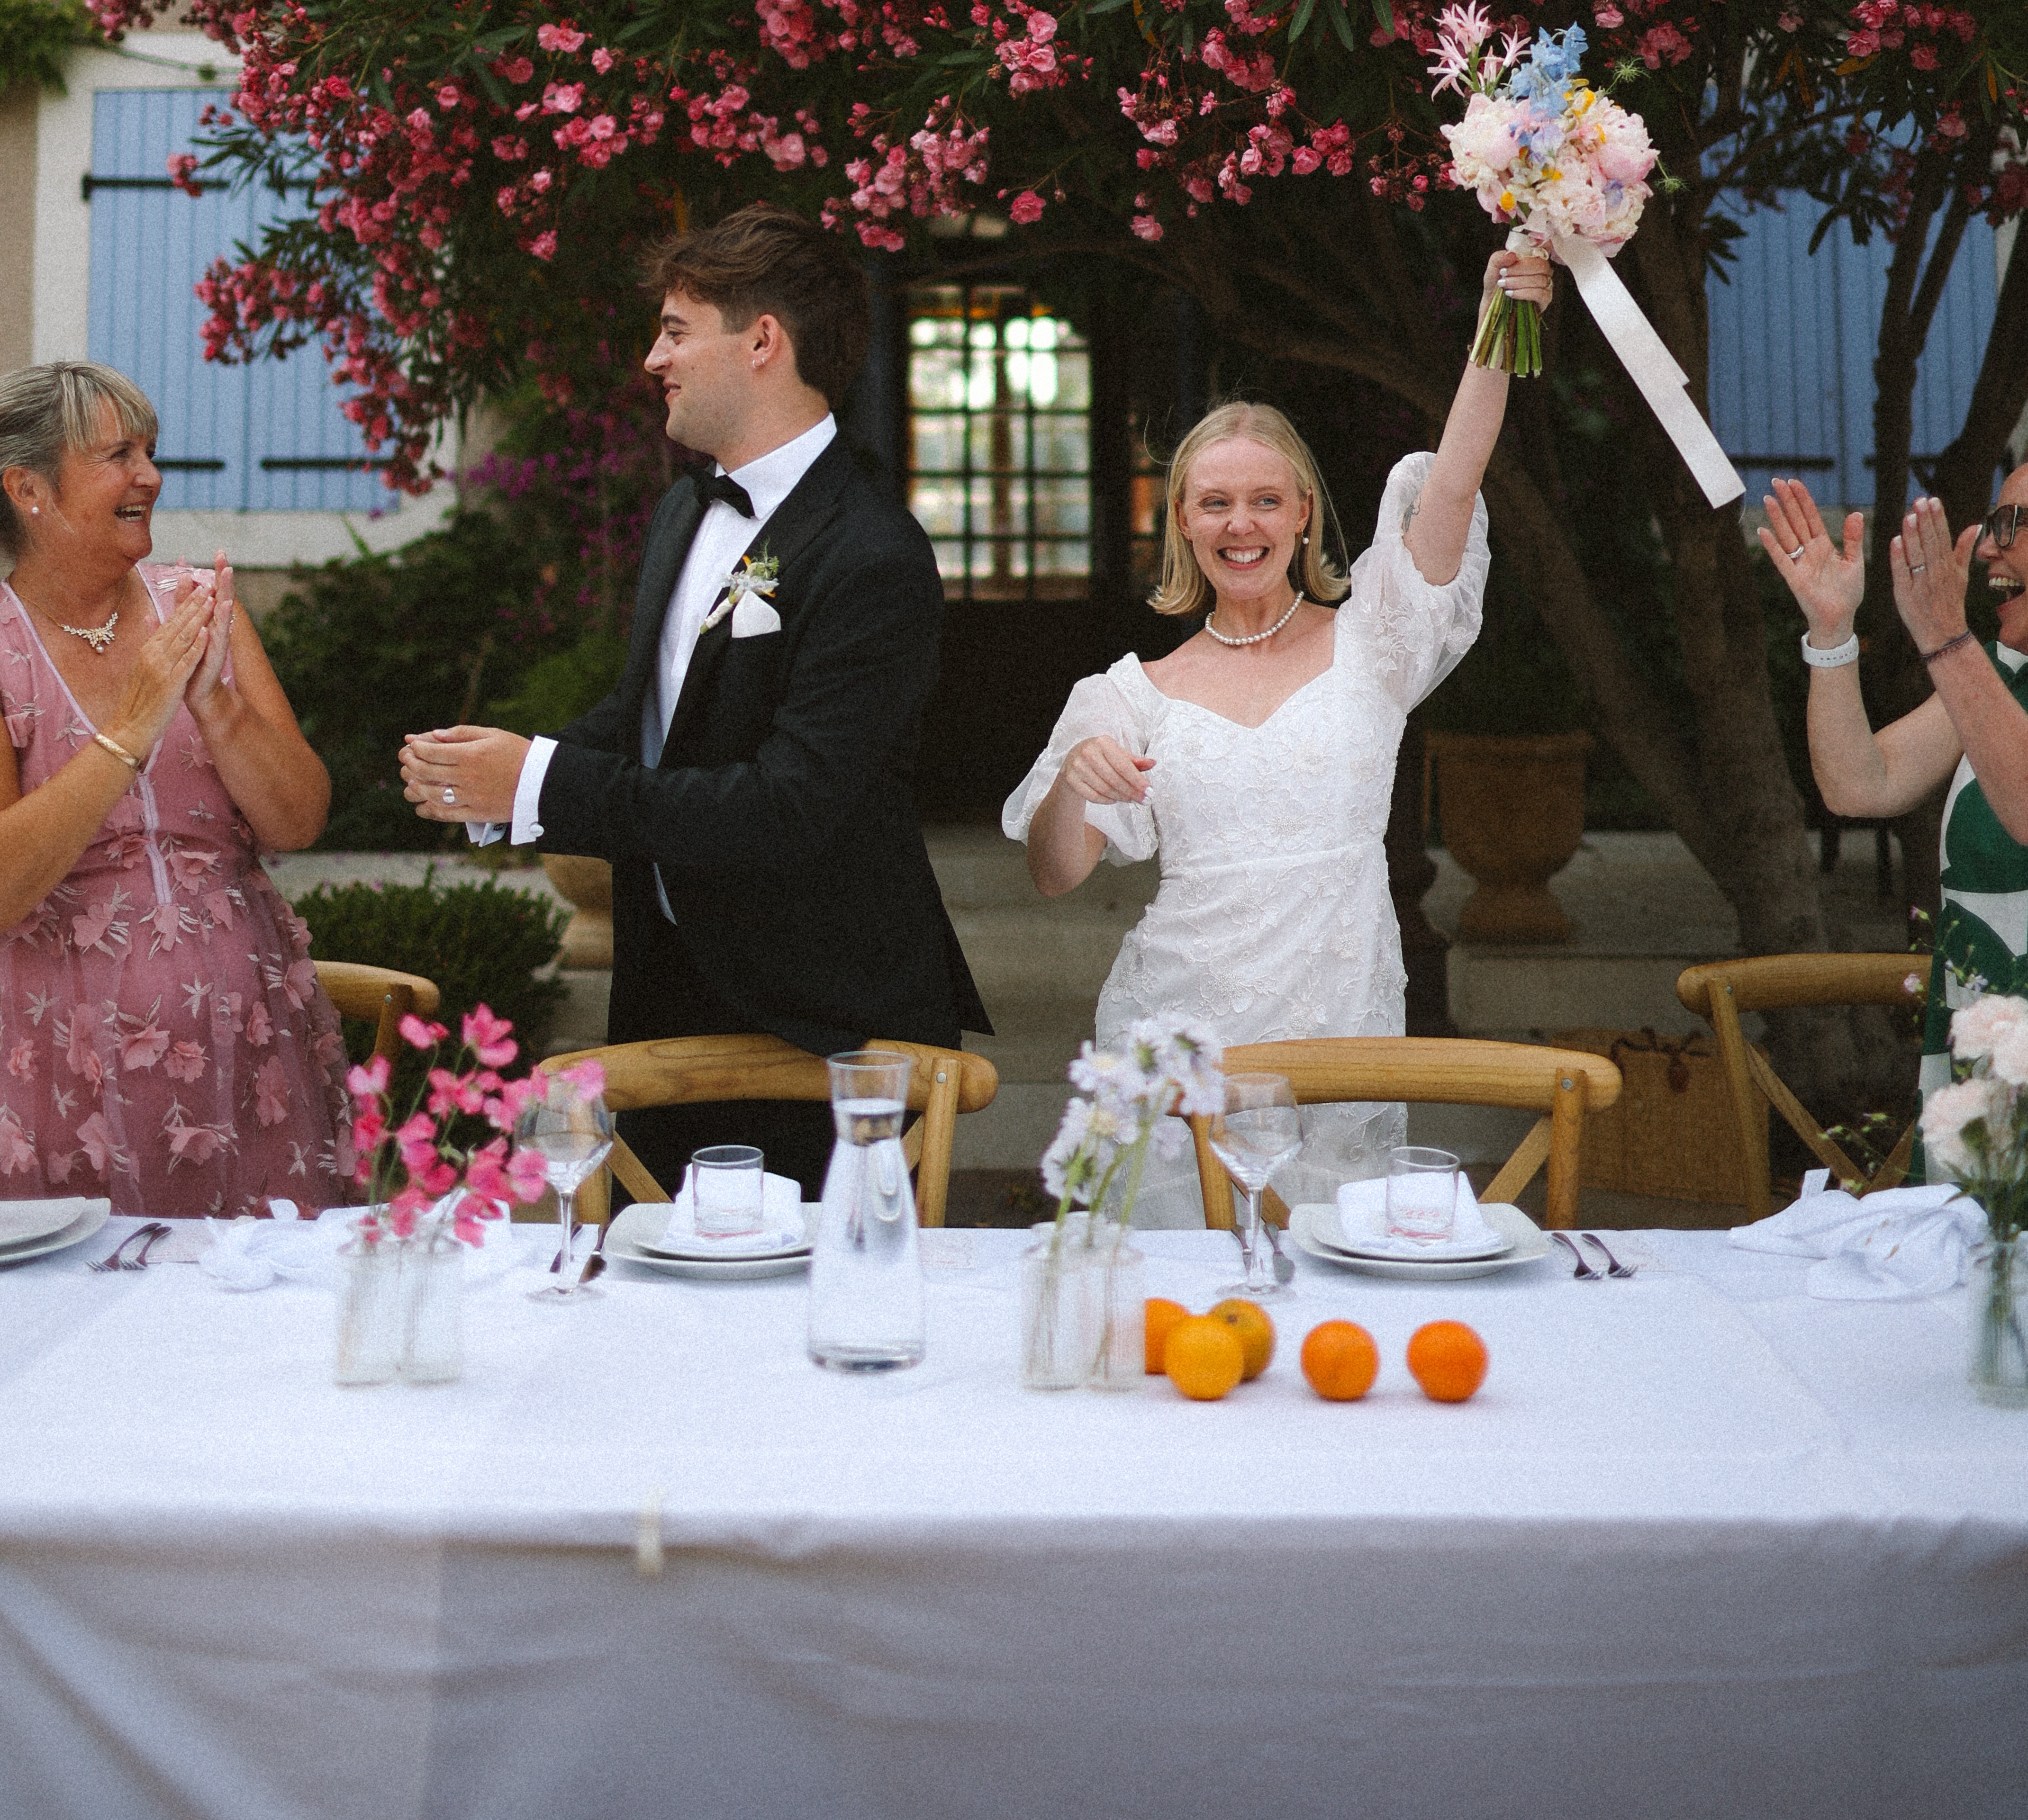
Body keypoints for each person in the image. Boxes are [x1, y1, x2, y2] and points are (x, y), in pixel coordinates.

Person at [401, 205, 989, 1193]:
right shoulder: (685, 509)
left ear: (762, 341)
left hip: (827, 1023)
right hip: (669, 998)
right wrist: (500, 774)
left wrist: (545, 780)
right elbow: (652, 719)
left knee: (807, 1322)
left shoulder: (874, 554)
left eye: (675, 330)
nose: (651, 359)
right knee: (661, 1309)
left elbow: (788, 808)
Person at [1005, 246, 1554, 1225]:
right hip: (1177, 1039)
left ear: (1304, 516)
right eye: (1214, 503)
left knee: (1339, 1302)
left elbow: (1455, 486)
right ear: (1182, 522)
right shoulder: (1133, 692)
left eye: (1265, 500)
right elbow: (1056, 874)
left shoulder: (1374, 644)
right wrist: (1072, 787)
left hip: (1340, 1024)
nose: (1241, 524)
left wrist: (1495, 330)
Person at [0, 361, 350, 1212]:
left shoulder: (199, 608)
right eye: (119, 455)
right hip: (58, 1059)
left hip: (248, 1048)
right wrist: (133, 725)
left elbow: (300, 819)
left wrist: (215, 706)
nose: (150, 477)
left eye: (152, 452)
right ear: (27, 488)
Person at [1760, 466, 2028, 1164]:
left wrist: (1945, 637)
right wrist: (1830, 633)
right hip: (1984, 1083)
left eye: (2012, 525)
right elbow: (1860, 785)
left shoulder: (1974, 664)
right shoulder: (2000, 674)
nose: (1991, 550)